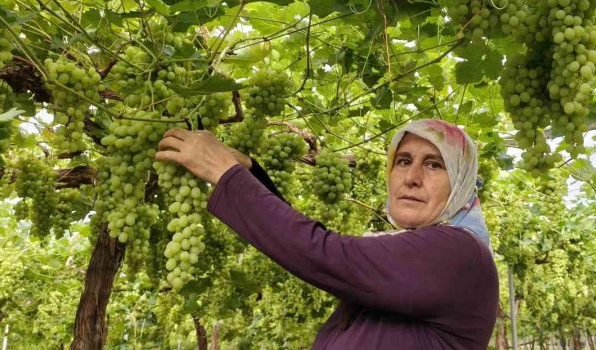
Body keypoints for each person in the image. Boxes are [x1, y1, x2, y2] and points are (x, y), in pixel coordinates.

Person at [154, 119, 499, 349]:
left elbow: (325, 254)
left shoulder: (459, 255)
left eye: (434, 164)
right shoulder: (410, 259)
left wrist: (225, 173)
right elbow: (317, 254)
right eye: (403, 161)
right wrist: (252, 175)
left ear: (462, 182)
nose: (411, 177)